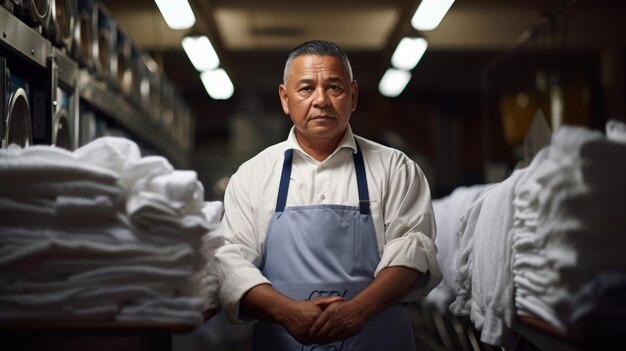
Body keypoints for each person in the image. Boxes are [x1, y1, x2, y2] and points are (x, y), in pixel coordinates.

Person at [214, 40, 442, 350]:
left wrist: (358, 312)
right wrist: (286, 311)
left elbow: (414, 250)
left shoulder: (396, 168)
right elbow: (232, 262)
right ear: (285, 98)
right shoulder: (253, 175)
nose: (321, 100)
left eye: (334, 87)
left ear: (353, 96)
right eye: (306, 89)